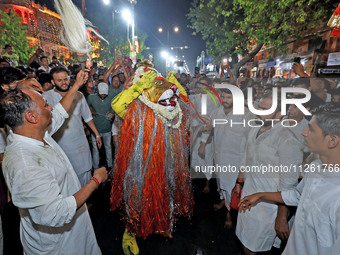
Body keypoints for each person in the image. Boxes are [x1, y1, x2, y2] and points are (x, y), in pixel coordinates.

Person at [0, 70, 108, 255]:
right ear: (31, 117)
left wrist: (75, 86)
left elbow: (58, 113)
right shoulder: (24, 164)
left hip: (72, 232)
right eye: (45, 106)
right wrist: (95, 181)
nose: (51, 108)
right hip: (58, 245)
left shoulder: (35, 133)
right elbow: (57, 214)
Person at [239, 103, 340, 255]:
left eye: (311, 129)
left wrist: (281, 217)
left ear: (332, 140)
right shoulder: (315, 167)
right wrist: (260, 195)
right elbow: (296, 195)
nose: (304, 132)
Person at [233, 92, 303, 255]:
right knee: (245, 243)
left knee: (253, 249)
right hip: (249, 197)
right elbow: (247, 158)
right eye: (260, 107)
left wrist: (281, 217)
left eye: (266, 109)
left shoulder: (287, 140)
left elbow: (289, 186)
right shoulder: (255, 128)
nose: (259, 112)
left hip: (267, 207)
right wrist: (240, 182)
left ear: (280, 114)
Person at [43, 67, 102, 186]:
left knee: (84, 175)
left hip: (80, 144)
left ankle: (85, 202)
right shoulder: (46, 97)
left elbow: (88, 117)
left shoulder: (79, 95)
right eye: (59, 80)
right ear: (53, 82)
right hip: (59, 145)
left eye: (66, 79)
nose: (64, 82)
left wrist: (97, 134)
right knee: (65, 178)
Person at [203, 87, 252, 228]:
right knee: (221, 184)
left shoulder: (245, 114)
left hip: (236, 158)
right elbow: (209, 126)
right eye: (223, 97)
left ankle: (229, 214)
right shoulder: (217, 112)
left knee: (232, 187)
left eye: (228, 98)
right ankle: (224, 202)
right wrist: (206, 129)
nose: (225, 100)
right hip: (219, 156)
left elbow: (253, 133)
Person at [87, 82, 114, 170]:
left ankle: (110, 165)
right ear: (97, 91)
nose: (103, 95)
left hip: (107, 128)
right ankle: (95, 167)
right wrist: (90, 109)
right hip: (95, 129)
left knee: (108, 147)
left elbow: (113, 111)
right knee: (95, 149)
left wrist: (112, 114)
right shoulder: (91, 98)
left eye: (105, 93)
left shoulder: (110, 98)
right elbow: (85, 109)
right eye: (101, 93)